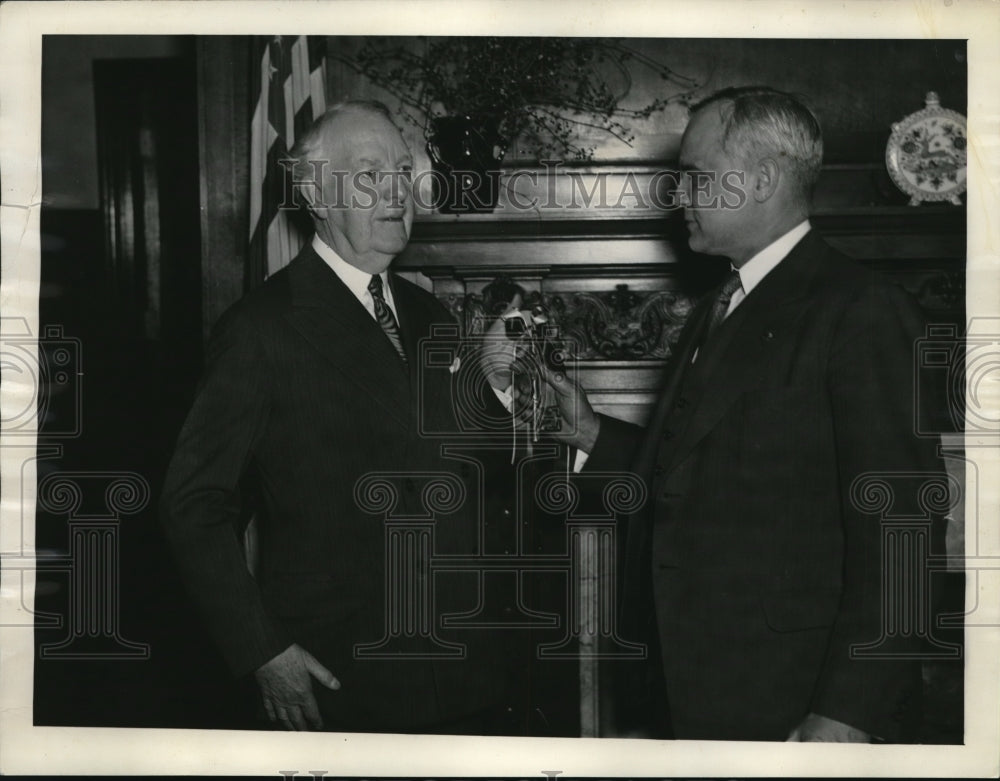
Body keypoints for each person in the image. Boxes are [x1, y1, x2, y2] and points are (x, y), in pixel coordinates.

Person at [538, 86, 946, 742]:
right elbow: (701, 469)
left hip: (796, 703)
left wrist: (848, 711)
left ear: (760, 180)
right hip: (706, 694)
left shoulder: (859, 310)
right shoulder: (723, 300)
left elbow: (903, 530)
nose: (679, 195)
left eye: (695, 176)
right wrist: (590, 431)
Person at [161, 101, 526, 734]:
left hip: (462, 667)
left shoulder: (428, 315)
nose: (396, 192)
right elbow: (192, 504)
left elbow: (469, 470)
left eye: (403, 171)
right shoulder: (262, 328)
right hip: (345, 673)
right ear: (315, 195)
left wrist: (492, 385)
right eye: (368, 176)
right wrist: (262, 651)